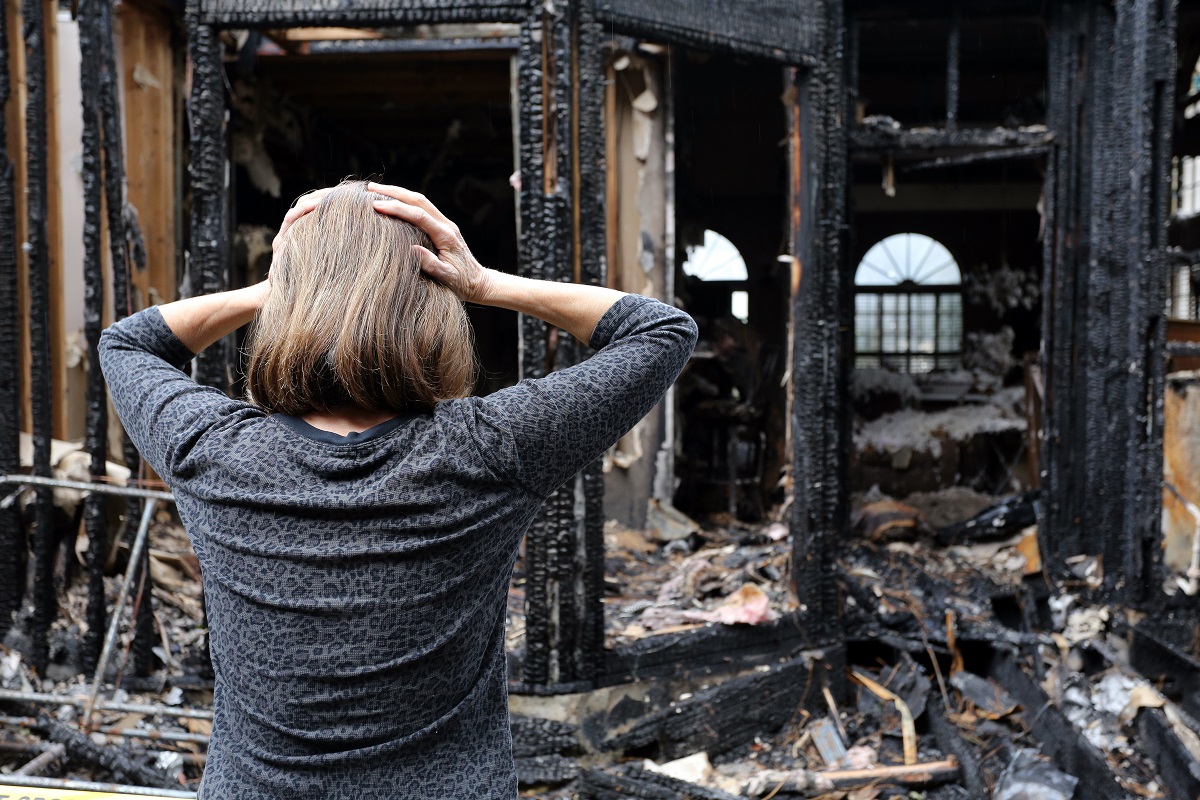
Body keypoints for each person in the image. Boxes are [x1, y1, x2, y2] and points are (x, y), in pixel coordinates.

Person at [98, 180, 697, 799]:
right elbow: (658, 332)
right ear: (433, 301)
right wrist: (485, 284)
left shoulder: (214, 453)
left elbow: (127, 342)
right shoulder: (487, 451)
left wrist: (277, 290)